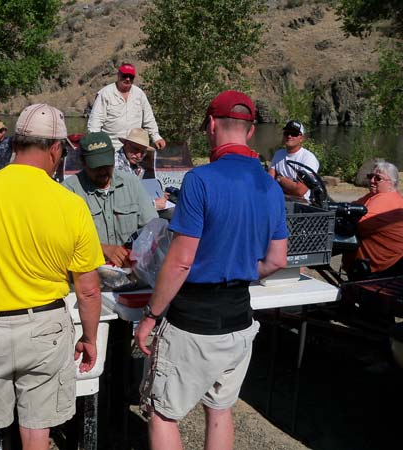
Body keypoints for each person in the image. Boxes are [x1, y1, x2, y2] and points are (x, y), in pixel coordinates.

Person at [0, 103, 103, 450]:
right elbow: (87, 291)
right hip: (46, 327)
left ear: (14, 144)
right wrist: (89, 338)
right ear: (56, 149)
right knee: (36, 431)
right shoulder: (70, 204)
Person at [135, 90, 288, 450]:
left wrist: (150, 316)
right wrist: (236, 268)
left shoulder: (200, 180)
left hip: (194, 321)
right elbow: (277, 260)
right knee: (219, 409)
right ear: (250, 131)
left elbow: (181, 260)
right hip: (239, 320)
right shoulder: (270, 185)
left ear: (211, 125)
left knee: (163, 413)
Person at [62, 132, 158, 268]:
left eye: (107, 165)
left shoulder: (132, 183)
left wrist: (137, 250)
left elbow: (152, 227)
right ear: (83, 162)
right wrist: (101, 248)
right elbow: (63, 242)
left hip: (132, 273)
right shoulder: (69, 190)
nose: (102, 171)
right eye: (96, 167)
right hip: (89, 274)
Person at [343, 162, 403, 279]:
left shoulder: (386, 200)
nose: (372, 181)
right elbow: (349, 208)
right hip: (372, 263)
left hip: (384, 268)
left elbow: (355, 225)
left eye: (378, 178)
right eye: (371, 176)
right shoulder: (372, 196)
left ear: (391, 182)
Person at [87, 63, 166, 152]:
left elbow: (149, 119)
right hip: (111, 148)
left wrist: (156, 137)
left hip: (135, 149)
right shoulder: (105, 93)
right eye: (124, 76)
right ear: (118, 75)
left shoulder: (139, 94)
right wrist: (96, 145)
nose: (127, 79)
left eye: (130, 77)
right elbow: (95, 122)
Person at [115, 127, 167, 210]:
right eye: (135, 149)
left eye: (143, 152)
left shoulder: (133, 164)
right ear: (126, 144)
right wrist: (153, 204)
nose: (139, 155)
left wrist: (157, 195)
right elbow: (123, 199)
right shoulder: (117, 164)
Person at [268, 120, 320, 200]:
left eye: (294, 134)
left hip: (301, 204)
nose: (289, 136)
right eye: (286, 133)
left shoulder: (308, 158)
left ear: (301, 138)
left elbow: (299, 191)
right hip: (279, 200)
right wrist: (290, 184)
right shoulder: (278, 154)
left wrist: (279, 178)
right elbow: (269, 182)